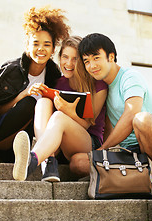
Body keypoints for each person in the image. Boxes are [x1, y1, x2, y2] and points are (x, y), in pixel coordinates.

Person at [0, 6, 70, 180]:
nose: (41, 49)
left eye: (47, 44)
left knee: (31, 104)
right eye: (36, 43)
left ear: (53, 49)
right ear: (27, 45)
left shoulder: (54, 77)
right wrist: (22, 94)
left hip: (8, 138)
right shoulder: (10, 70)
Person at [70, 33, 152, 176]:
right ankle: (141, 177)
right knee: (78, 162)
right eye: (86, 61)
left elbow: (131, 114)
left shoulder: (130, 77)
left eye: (96, 58)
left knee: (142, 120)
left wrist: (104, 149)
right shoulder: (103, 89)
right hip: (129, 153)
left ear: (111, 57)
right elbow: (107, 127)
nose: (92, 66)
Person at [12, 36, 108, 181]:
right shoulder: (58, 83)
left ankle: (31, 161)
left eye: (75, 58)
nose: (69, 63)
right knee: (43, 102)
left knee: (59, 117)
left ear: (82, 60)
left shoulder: (98, 85)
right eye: (65, 57)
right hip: (59, 143)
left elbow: (89, 124)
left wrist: (68, 111)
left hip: (88, 142)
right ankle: (49, 161)